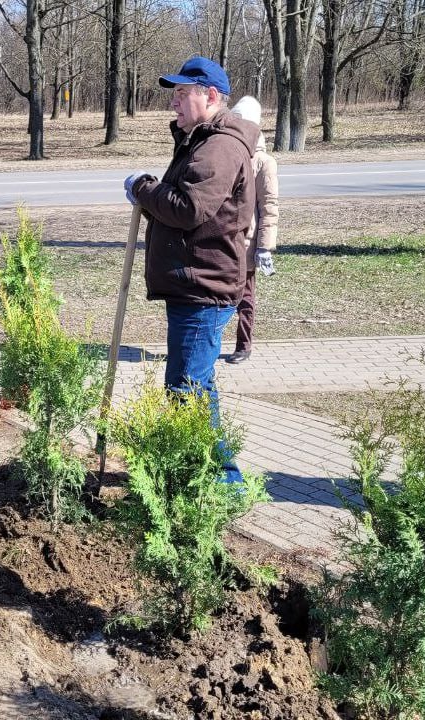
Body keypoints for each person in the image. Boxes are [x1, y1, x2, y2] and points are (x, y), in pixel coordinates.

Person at [123, 56, 258, 482]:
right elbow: (186, 210)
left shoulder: (219, 146)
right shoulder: (200, 141)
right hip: (194, 282)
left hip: (204, 286)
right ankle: (214, 476)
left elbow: (188, 209)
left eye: (183, 94)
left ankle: (220, 481)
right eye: (175, 94)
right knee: (196, 385)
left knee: (186, 389)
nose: (174, 103)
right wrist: (151, 198)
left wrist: (143, 188)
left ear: (211, 96)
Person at [226, 96, 279, 365]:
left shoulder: (263, 162)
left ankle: (243, 345)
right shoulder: (227, 152)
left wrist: (264, 247)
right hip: (224, 240)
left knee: (245, 297)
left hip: (246, 244)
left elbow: (269, 206)